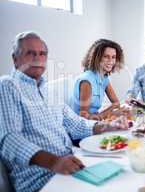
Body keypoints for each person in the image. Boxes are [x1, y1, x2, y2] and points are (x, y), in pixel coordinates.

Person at [0, 31, 129, 192]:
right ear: (15, 59)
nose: (37, 58)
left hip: (73, 163)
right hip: (42, 178)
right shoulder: (8, 85)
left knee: (126, 172)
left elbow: (75, 124)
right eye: (30, 53)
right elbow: (9, 139)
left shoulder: (46, 90)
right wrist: (54, 162)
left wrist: (108, 126)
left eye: (42, 54)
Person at [72, 39, 125, 120]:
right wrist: (108, 111)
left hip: (95, 120)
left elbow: (116, 103)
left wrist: (114, 110)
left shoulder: (104, 78)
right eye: (106, 56)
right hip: (82, 126)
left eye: (113, 57)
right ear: (97, 58)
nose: (111, 61)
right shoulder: (87, 81)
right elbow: (84, 117)